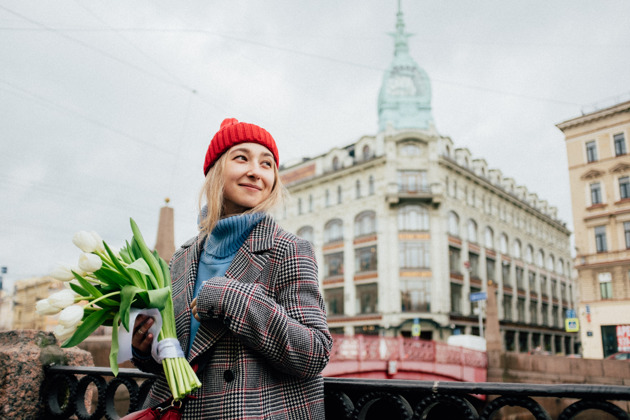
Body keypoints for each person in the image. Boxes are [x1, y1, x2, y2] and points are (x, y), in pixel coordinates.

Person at [131, 118, 333, 419]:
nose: (255, 171)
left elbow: (314, 352)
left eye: (267, 164)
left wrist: (232, 298)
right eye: (241, 158)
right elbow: (183, 355)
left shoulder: (289, 249)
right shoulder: (183, 257)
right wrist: (144, 349)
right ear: (215, 171)